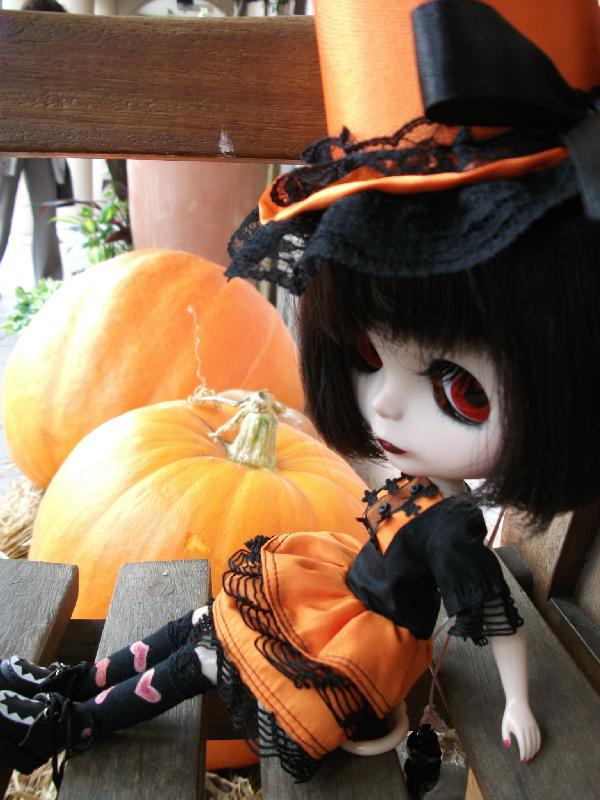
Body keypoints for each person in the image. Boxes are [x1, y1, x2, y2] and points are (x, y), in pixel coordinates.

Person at [1, 0, 599, 787]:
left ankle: (72, 721)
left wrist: (516, 703)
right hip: (330, 586)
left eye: (464, 393)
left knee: (212, 653)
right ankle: (73, 682)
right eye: (363, 354)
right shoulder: (426, 494)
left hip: (360, 640)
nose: (384, 406)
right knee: (207, 618)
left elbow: (495, 618)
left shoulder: (456, 534)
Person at [0, 0, 73, 284]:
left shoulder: (55, 59)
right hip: (7, 142)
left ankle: (49, 285)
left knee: (47, 212)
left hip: (42, 141)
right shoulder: (8, 49)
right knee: (2, 213)